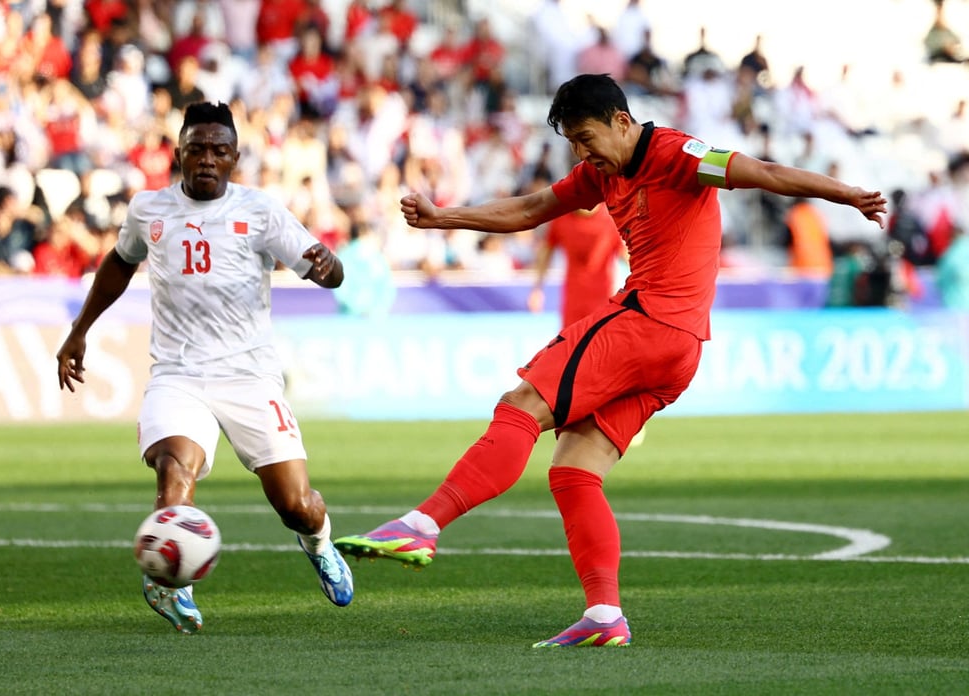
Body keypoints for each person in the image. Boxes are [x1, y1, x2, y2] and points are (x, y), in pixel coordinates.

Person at [334, 74, 886, 648]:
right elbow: (532, 208)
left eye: (586, 137)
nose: (582, 152)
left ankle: (422, 525)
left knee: (521, 405)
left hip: (647, 322)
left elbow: (766, 174)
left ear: (622, 121)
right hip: (680, 352)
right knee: (574, 470)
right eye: (572, 142)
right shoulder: (604, 171)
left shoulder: (679, 153)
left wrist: (846, 195)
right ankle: (604, 616)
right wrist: (444, 217)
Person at [56, 101, 354, 634]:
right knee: (176, 469)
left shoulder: (260, 211)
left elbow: (329, 273)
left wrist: (330, 267)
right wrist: (79, 331)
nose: (208, 160)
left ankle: (319, 543)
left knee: (297, 505)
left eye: (219, 150)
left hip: (250, 377)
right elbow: (119, 264)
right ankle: (170, 582)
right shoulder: (149, 211)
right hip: (178, 375)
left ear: (235, 156)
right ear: (179, 154)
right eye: (197, 149)